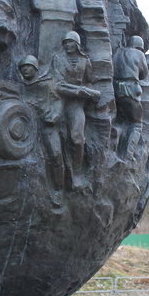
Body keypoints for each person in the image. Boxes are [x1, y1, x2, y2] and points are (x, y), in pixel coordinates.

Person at [51, 31, 100, 189]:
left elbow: (89, 82)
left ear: (77, 44)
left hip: (76, 105)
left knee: (77, 138)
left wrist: (88, 93)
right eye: (65, 43)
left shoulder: (85, 61)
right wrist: (79, 91)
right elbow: (58, 85)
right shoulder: (58, 59)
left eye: (70, 42)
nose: (67, 45)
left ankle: (77, 173)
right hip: (59, 102)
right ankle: (61, 176)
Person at [18, 55, 65, 190]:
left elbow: (57, 100)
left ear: (35, 68)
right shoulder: (20, 86)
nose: (25, 69)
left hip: (47, 124)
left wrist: (55, 116)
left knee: (55, 155)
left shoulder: (46, 83)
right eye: (22, 67)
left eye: (28, 66)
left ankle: (59, 187)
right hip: (27, 125)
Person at [113, 35, 149, 159]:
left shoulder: (117, 52)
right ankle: (128, 154)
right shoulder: (139, 54)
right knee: (137, 124)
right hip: (131, 89)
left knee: (121, 121)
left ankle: (116, 150)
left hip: (116, 90)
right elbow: (144, 74)